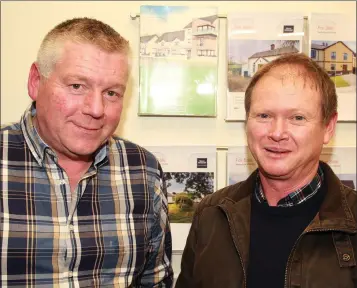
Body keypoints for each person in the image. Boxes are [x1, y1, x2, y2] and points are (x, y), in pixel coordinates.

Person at [0, 17, 173, 287]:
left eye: (112, 93)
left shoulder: (143, 170)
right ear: (36, 81)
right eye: (77, 86)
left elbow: (155, 281)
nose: (95, 109)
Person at [176, 53, 357, 287]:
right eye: (264, 115)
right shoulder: (211, 215)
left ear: (328, 127)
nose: (277, 132)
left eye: (297, 117)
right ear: (247, 121)